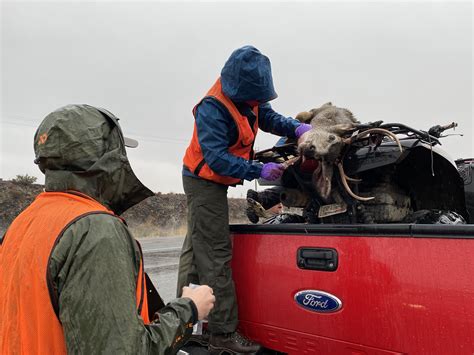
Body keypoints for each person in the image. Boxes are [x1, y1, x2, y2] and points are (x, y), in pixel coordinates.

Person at [0, 104, 215, 354]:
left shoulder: (24, 221)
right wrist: (190, 308)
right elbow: (122, 349)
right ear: (109, 161)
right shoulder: (95, 231)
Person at [178, 46, 311, 354]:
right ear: (240, 88)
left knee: (196, 251)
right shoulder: (213, 108)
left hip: (210, 179)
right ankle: (223, 334)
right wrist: (257, 169)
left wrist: (297, 127)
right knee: (215, 252)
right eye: (254, 97)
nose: (257, 103)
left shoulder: (247, 98)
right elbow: (217, 160)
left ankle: (187, 326)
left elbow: (269, 118)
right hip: (204, 181)